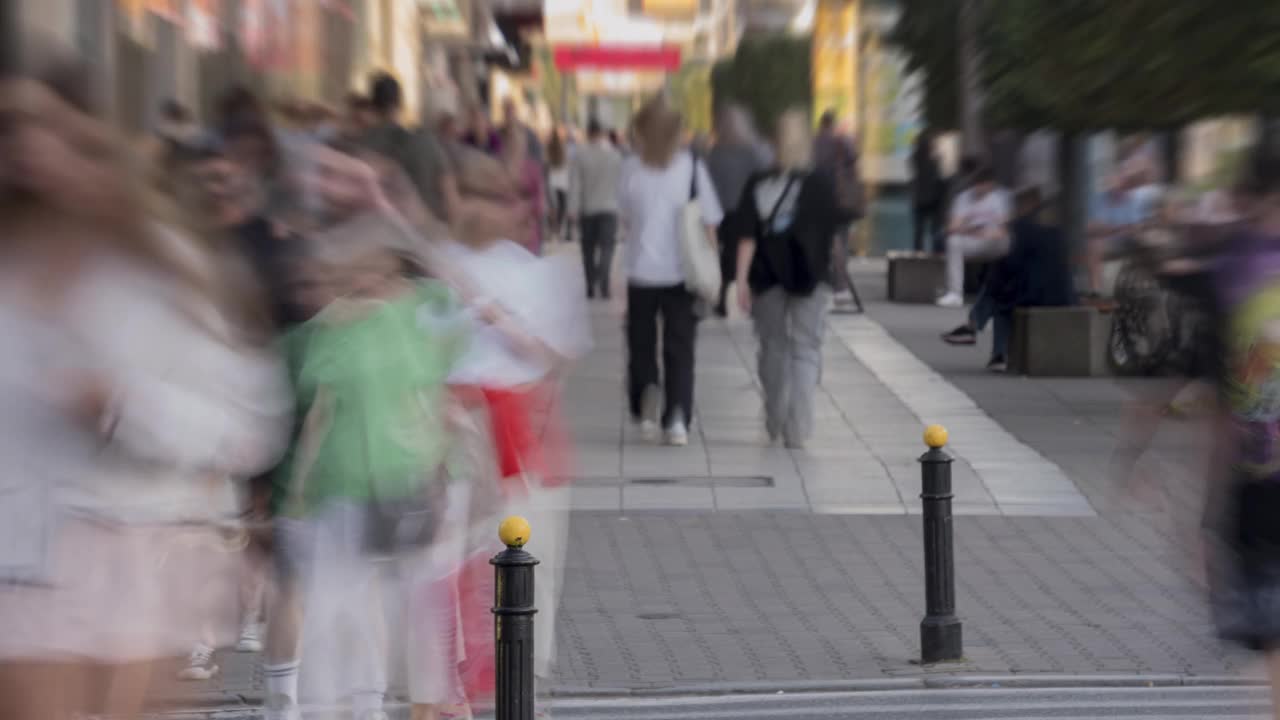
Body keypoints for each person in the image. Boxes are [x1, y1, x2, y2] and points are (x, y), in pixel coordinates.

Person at [0, 44, 290, 720]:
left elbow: (251, 425)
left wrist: (126, 408)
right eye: (16, 134)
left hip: (139, 553)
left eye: (56, 135)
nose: (35, 154)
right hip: (19, 557)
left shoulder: (161, 268)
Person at [734, 110, 848, 448]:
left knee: (772, 346)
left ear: (774, 143)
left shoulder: (758, 183)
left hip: (766, 276)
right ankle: (799, 427)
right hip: (810, 275)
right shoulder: (822, 184)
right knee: (805, 348)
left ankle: (774, 413)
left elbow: (746, 237)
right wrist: (837, 270)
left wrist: (740, 281)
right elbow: (834, 235)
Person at [617, 96, 723, 446]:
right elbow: (709, 221)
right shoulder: (692, 167)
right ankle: (676, 416)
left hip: (640, 273)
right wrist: (714, 265)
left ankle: (646, 394)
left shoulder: (631, 169)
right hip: (682, 274)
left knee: (641, 343)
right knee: (681, 347)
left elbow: (627, 220)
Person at [941, 186, 1076, 371]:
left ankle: (990, 345)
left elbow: (1009, 265)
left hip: (1035, 295)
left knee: (1000, 297)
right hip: (1062, 296)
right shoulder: (1057, 231)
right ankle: (974, 329)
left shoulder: (1018, 228)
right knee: (1000, 288)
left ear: (1023, 206)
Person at [707, 104, 770, 317]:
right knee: (748, 254)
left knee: (726, 255)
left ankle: (722, 299)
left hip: (721, 211)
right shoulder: (754, 152)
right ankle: (750, 296)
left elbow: (708, 183)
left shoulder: (715, 152)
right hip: (747, 211)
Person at [936, 165, 1011, 308]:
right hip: (972, 241)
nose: (980, 188)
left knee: (1009, 242)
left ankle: (1009, 293)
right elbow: (952, 227)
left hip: (994, 242)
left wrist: (986, 233)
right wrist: (971, 230)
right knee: (953, 241)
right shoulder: (963, 198)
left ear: (991, 184)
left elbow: (1004, 230)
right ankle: (955, 294)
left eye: (984, 184)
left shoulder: (1000, 198)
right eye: (978, 183)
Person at [568, 119, 624, 299]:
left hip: (588, 209)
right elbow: (620, 184)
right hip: (609, 208)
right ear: (602, 133)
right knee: (607, 248)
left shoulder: (580, 155)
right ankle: (605, 283)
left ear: (588, 132)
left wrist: (572, 208)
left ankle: (590, 285)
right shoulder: (615, 155)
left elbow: (575, 184)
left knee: (588, 249)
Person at [811, 110, 862, 308]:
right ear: (833, 124)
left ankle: (821, 281)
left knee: (820, 241)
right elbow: (854, 161)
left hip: (817, 198)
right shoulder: (843, 142)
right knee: (840, 240)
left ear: (821, 124)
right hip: (840, 200)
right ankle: (840, 286)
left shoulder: (813, 143)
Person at [503, 123, 546, 255]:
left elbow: (540, 203)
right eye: (511, 140)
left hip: (527, 234)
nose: (515, 145)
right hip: (503, 234)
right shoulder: (498, 166)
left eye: (519, 141)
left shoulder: (532, 169)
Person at [911, 128, 946, 253]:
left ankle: (918, 251)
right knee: (934, 228)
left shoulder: (915, 158)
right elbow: (938, 177)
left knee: (919, 229)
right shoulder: (933, 159)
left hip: (919, 198)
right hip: (933, 198)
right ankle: (936, 251)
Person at [547, 129, 571, 242]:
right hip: (562, 181)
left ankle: (553, 230)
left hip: (552, 180)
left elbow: (546, 163)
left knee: (553, 206)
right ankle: (559, 229)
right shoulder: (562, 148)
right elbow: (566, 162)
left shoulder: (548, 148)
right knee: (562, 206)